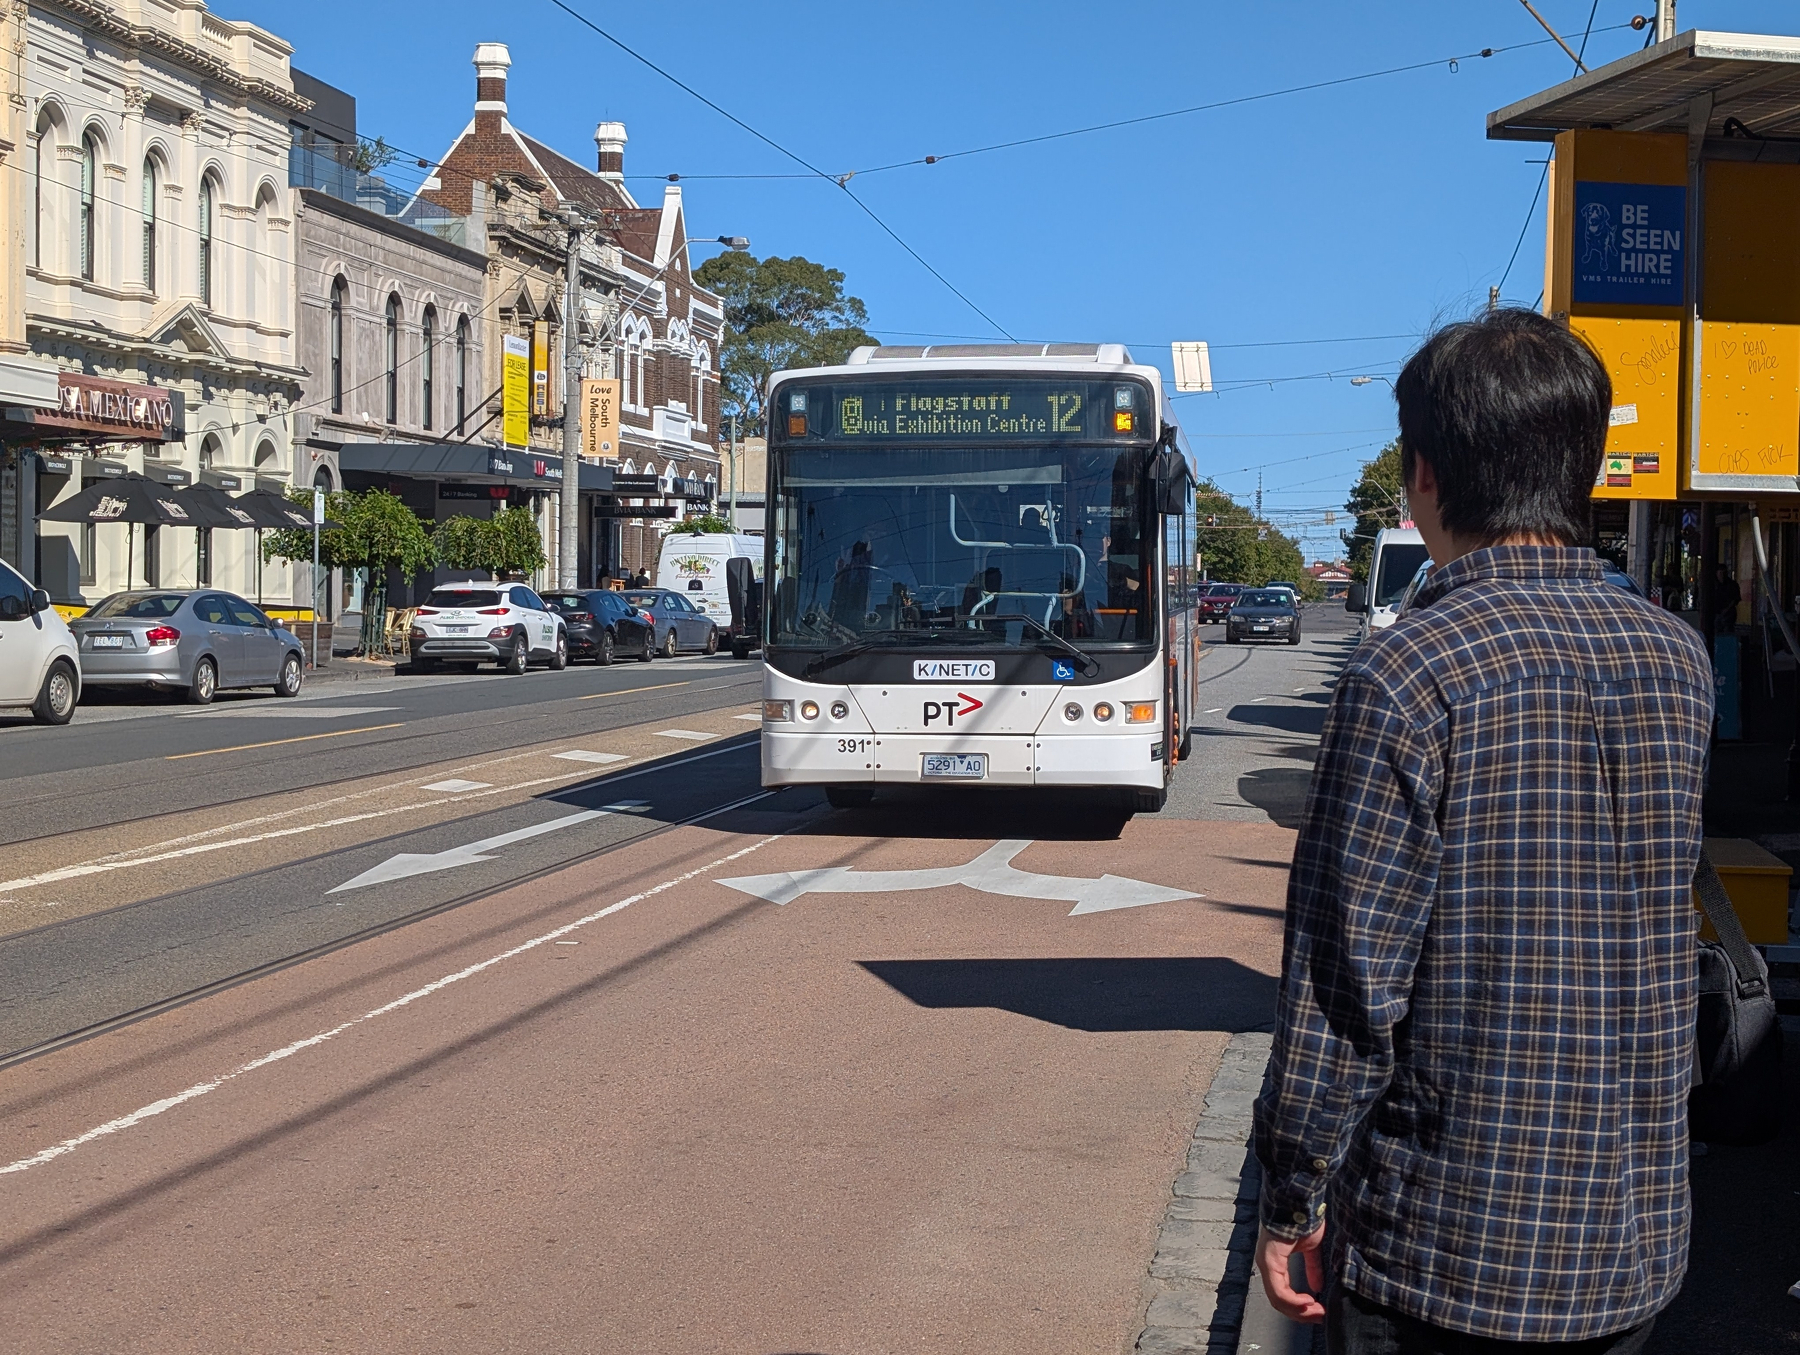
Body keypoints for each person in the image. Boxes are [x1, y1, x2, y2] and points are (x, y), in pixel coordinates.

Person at [1253, 309, 1713, 1353]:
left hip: (1446, 1239)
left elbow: (1344, 984)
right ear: (1583, 466)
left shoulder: (1410, 670)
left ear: (1424, 475)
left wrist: (1293, 1192)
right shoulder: (1677, 659)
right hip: (1632, 1228)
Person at [1715, 565, 1742, 633]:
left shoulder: (1732, 584)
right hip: (1716, 613)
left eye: (1724, 573)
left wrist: (1726, 609)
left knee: (1728, 632)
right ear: (1717, 573)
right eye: (1720, 573)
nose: (1722, 575)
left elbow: (1735, 599)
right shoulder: (1714, 585)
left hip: (1729, 614)